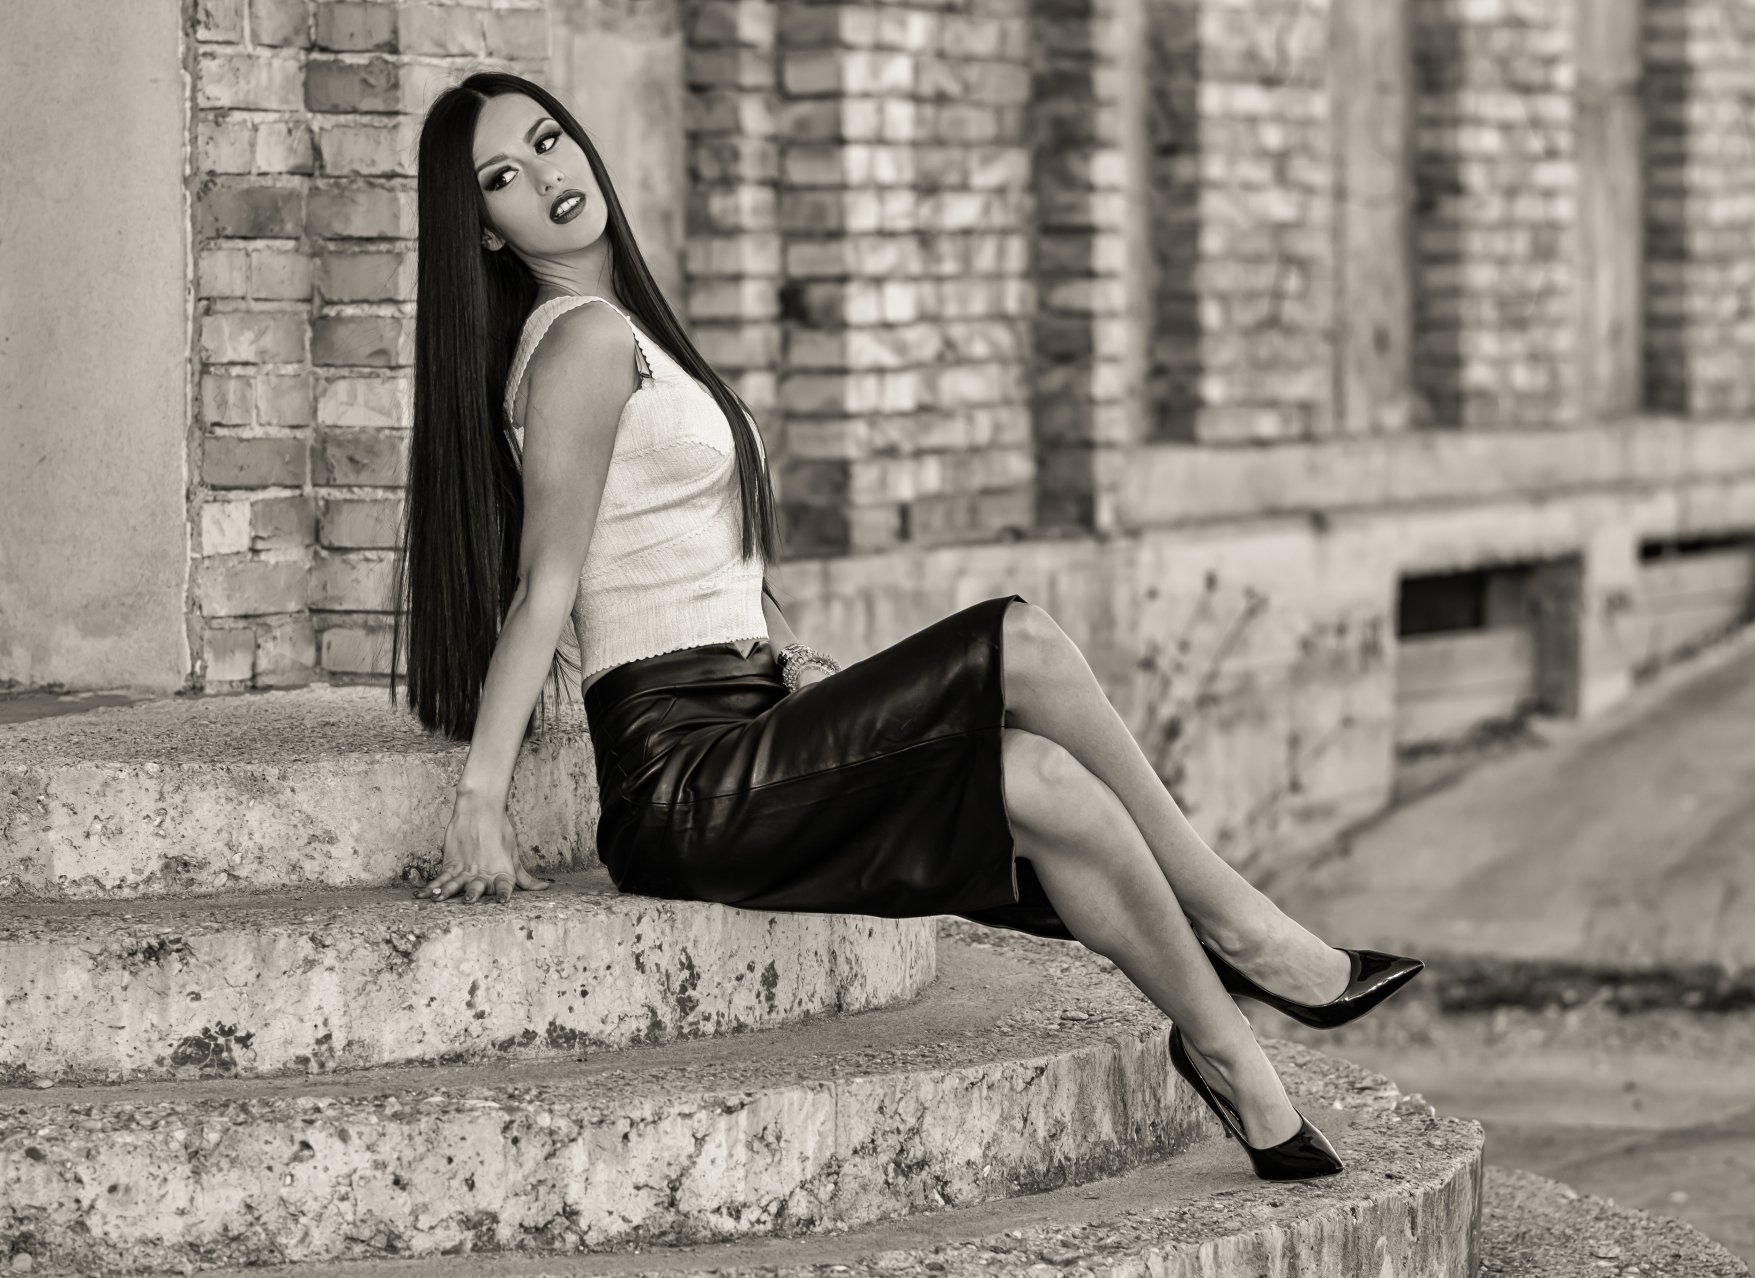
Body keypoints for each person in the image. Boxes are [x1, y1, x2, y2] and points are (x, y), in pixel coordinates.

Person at [388, 71, 1423, 1181]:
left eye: (550, 141)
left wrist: (789, 658)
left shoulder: (631, 330)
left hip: (744, 725)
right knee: (1017, 637)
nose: (546, 175)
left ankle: (1229, 1062)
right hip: (680, 778)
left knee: (1042, 783)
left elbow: (685, 556)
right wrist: (483, 800)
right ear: (486, 232)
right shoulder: (583, 345)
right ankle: (1246, 929)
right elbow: (547, 585)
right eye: (505, 175)